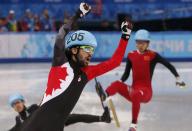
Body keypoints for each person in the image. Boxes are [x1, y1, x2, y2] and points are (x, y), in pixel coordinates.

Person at [20, 2, 133, 131]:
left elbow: (115, 62)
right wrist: (77, 15)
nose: (90, 54)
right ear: (74, 50)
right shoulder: (60, 63)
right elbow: (60, 36)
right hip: (34, 126)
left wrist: (125, 36)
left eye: (92, 50)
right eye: (86, 49)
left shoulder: (87, 73)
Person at [99, 29, 186, 131]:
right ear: (136, 43)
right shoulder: (131, 55)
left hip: (146, 92)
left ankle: (133, 126)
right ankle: (105, 95)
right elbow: (126, 74)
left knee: (136, 94)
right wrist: (121, 83)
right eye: (138, 42)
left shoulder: (153, 55)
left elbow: (169, 65)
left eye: (143, 43)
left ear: (148, 43)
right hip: (134, 90)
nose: (140, 45)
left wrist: (178, 78)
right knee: (117, 84)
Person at [8, 93, 111, 131]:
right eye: (14, 104)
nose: (17, 105)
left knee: (75, 117)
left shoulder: (33, 108)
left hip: (53, 123)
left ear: (23, 102)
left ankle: (102, 118)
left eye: (18, 102)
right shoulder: (18, 122)